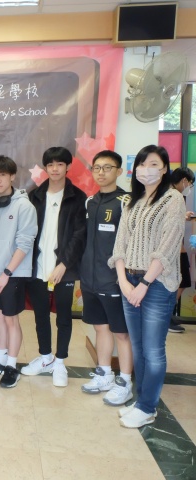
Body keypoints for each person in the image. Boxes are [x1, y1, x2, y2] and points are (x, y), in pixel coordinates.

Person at [110, 145, 185, 428]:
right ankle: (142, 400)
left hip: (157, 284)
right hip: (129, 281)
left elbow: (167, 247)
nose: (146, 169)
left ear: (165, 169)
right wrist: (123, 281)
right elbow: (120, 245)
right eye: (142, 164)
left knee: (153, 350)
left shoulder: (172, 199)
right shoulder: (133, 201)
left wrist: (143, 283)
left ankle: (147, 407)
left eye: (153, 164)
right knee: (138, 347)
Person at [22, 147, 87, 387]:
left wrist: (64, 264)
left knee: (63, 317)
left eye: (60, 164)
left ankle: (60, 362)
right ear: (45, 168)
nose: (55, 169)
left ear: (68, 167)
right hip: (37, 266)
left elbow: (79, 235)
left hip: (64, 269)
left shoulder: (78, 197)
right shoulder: (35, 196)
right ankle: (46, 357)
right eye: (50, 165)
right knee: (40, 315)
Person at [79, 151, 134, 406]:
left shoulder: (126, 202)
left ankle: (125, 382)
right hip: (90, 279)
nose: (101, 172)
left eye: (107, 167)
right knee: (100, 327)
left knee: (121, 332)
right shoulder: (90, 201)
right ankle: (104, 374)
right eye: (97, 168)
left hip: (114, 279)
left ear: (119, 171)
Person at [0, 156, 37, 388]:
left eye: (2, 175)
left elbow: (25, 242)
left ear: (12, 176)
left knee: (11, 318)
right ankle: (0, 360)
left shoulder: (24, 206)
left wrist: (6, 273)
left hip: (13, 273)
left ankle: (12, 366)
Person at [168, 167, 195, 333]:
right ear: (184, 180)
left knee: (180, 282)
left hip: (177, 248)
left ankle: (167, 316)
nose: (189, 187)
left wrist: (183, 216)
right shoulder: (174, 196)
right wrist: (183, 217)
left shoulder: (171, 194)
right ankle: (166, 317)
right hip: (174, 250)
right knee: (181, 282)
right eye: (190, 183)